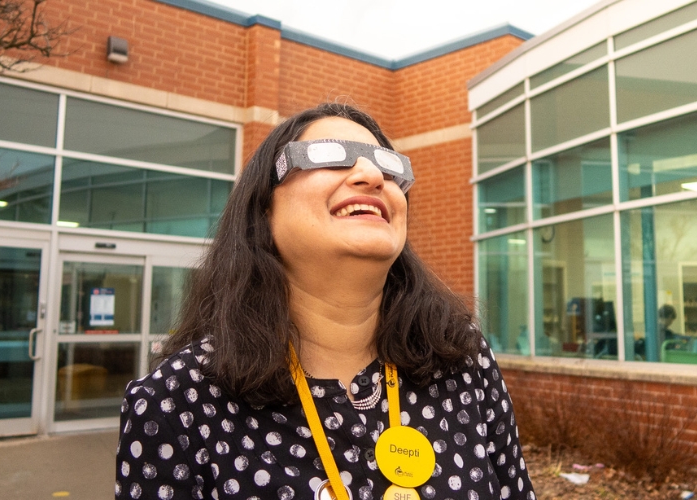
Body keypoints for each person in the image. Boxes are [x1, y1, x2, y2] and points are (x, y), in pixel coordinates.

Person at [114, 103, 535, 500]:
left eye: (390, 167)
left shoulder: (462, 358)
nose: (371, 175)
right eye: (330, 156)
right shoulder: (176, 402)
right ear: (263, 209)